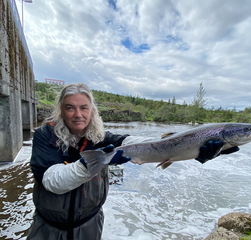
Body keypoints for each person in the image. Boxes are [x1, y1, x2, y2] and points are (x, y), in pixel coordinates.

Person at [27, 83, 239, 240]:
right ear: (61, 110)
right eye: (70, 107)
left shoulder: (100, 137)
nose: (78, 114)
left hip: (89, 225)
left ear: (92, 111)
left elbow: (145, 143)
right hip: (48, 228)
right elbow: (52, 181)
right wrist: (90, 164)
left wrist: (202, 148)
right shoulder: (45, 136)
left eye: (84, 107)